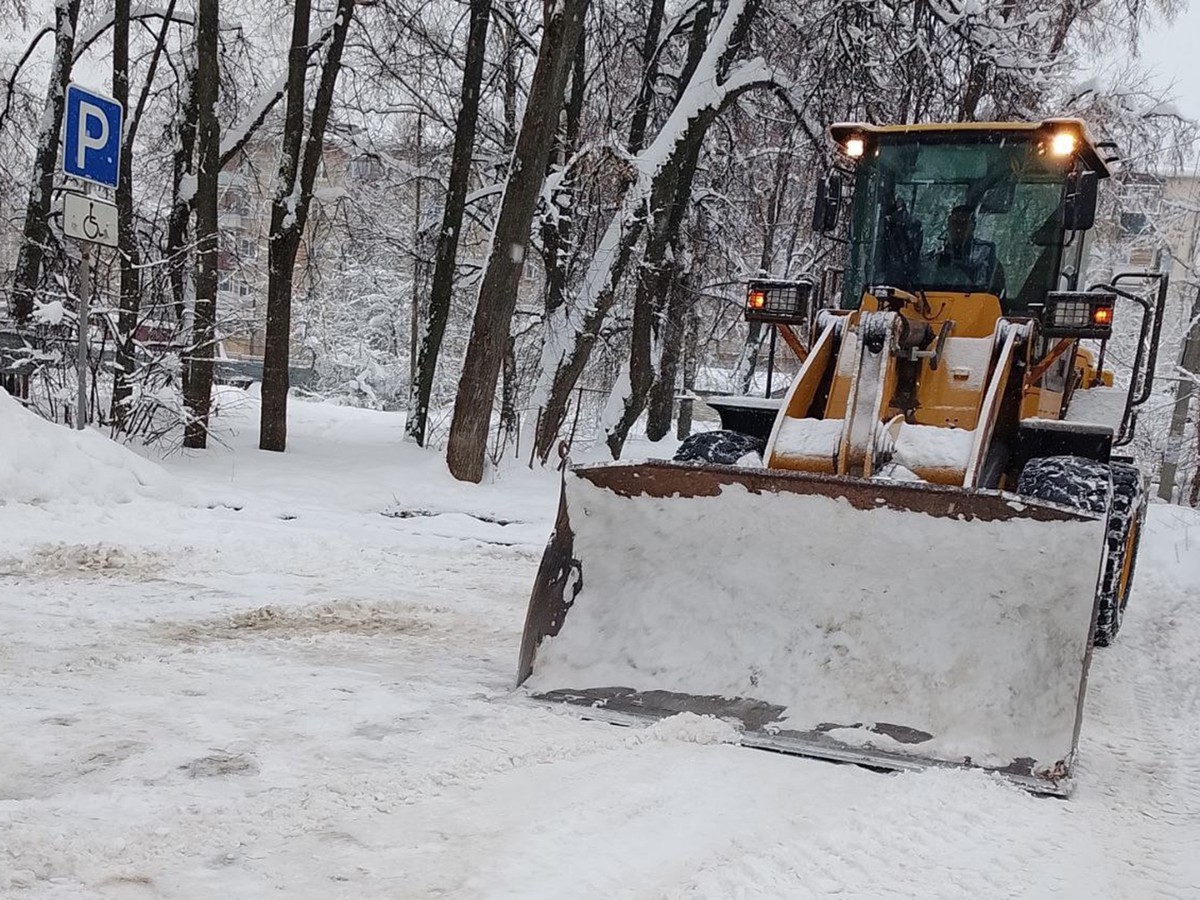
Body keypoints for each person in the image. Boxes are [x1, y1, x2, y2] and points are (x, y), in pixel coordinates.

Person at [927, 204, 1005, 297]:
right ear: (948, 224)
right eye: (955, 222)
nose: (958, 229)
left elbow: (996, 297)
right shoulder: (933, 260)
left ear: (973, 227)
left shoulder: (988, 263)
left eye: (964, 224)